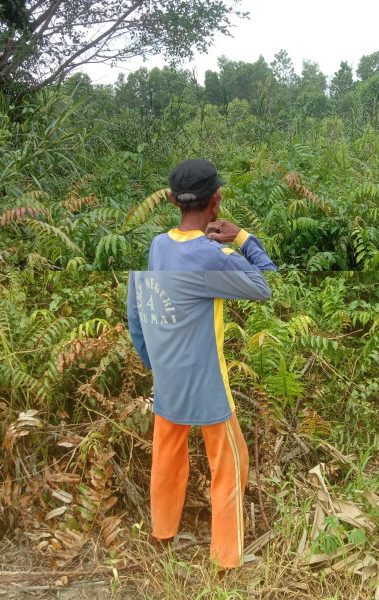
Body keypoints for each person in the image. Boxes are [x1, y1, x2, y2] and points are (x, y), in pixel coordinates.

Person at [127, 158, 276, 571]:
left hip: (169, 378)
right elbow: (264, 285)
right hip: (208, 381)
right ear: (217, 199)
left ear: (172, 200)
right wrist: (243, 237)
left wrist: (152, 362)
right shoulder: (213, 255)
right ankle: (227, 559)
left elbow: (136, 312)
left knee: (168, 454)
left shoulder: (158, 246)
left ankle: (163, 534)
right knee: (227, 464)